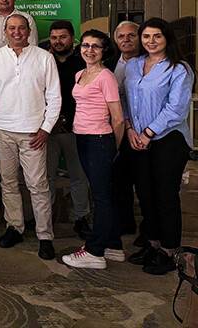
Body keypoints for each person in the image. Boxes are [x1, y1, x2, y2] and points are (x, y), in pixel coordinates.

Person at [0, 14, 61, 260]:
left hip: (33, 133)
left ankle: (45, 236)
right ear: (4, 32)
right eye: (12, 28)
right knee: (8, 182)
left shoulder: (44, 58)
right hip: (3, 130)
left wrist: (46, 129)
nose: (17, 32)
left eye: (21, 28)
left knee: (38, 185)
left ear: (29, 31)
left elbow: (54, 97)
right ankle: (14, 227)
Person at [125, 18, 194, 275]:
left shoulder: (179, 69)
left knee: (165, 196)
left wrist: (148, 132)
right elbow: (125, 99)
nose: (151, 41)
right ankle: (153, 244)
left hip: (168, 140)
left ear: (167, 39)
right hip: (137, 138)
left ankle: (169, 250)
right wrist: (130, 129)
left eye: (157, 36)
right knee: (145, 194)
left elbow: (176, 108)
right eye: (146, 36)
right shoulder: (133, 65)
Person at [62, 30, 125, 270]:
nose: (89, 50)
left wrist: (112, 147)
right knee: (102, 193)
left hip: (100, 139)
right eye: (86, 45)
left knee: (101, 196)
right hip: (83, 137)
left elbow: (118, 118)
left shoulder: (106, 77)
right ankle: (113, 245)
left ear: (104, 50)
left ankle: (95, 252)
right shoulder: (80, 74)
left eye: (95, 46)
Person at [46, 20, 91, 239]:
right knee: (46, 177)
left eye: (63, 37)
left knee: (78, 176)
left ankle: (81, 218)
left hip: (77, 128)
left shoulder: (84, 61)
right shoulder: (44, 60)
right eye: (54, 38)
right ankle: (45, 218)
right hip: (48, 129)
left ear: (72, 38)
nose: (58, 41)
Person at [111, 20, 143, 238]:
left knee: (144, 183)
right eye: (121, 36)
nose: (126, 40)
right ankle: (126, 224)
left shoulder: (148, 63)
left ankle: (149, 233)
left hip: (142, 132)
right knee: (119, 180)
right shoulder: (109, 62)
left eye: (131, 35)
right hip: (117, 131)